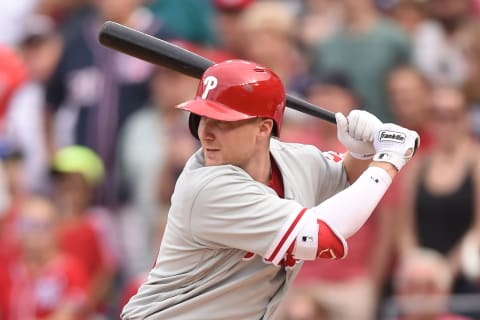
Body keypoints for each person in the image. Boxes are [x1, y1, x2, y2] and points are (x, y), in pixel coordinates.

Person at [121, 59, 419, 319]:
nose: (206, 133)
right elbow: (325, 235)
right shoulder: (208, 187)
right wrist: (389, 160)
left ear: (264, 129)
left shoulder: (292, 159)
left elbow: (345, 177)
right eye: (202, 118)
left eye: (223, 122)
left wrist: (363, 152)